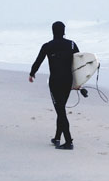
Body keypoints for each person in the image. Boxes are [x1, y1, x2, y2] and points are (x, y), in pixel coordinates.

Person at [29, 21, 79, 150]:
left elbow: (38, 61)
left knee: (60, 111)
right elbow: (79, 64)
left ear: (52, 31)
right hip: (68, 81)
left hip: (55, 82)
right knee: (60, 109)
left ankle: (68, 141)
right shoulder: (72, 44)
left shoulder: (47, 46)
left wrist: (32, 73)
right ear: (64, 31)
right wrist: (78, 82)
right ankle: (57, 138)